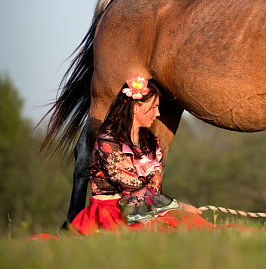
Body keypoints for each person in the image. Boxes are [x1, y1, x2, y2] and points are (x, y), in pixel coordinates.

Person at [69, 74, 214, 234]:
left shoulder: (150, 142)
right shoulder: (107, 143)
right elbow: (133, 189)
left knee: (192, 224)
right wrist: (181, 206)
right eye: (153, 108)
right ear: (136, 107)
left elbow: (153, 189)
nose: (157, 113)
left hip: (143, 209)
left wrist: (170, 210)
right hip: (111, 214)